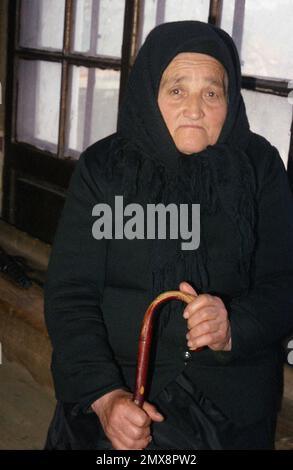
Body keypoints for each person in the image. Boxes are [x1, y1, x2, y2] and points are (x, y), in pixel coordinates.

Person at [44, 21, 293, 450]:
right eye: (177, 90)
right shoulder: (104, 168)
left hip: (231, 395)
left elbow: (285, 280)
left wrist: (234, 326)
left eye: (211, 93)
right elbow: (71, 293)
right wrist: (104, 396)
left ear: (230, 100)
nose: (194, 109)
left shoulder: (259, 167)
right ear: (149, 94)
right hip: (122, 381)